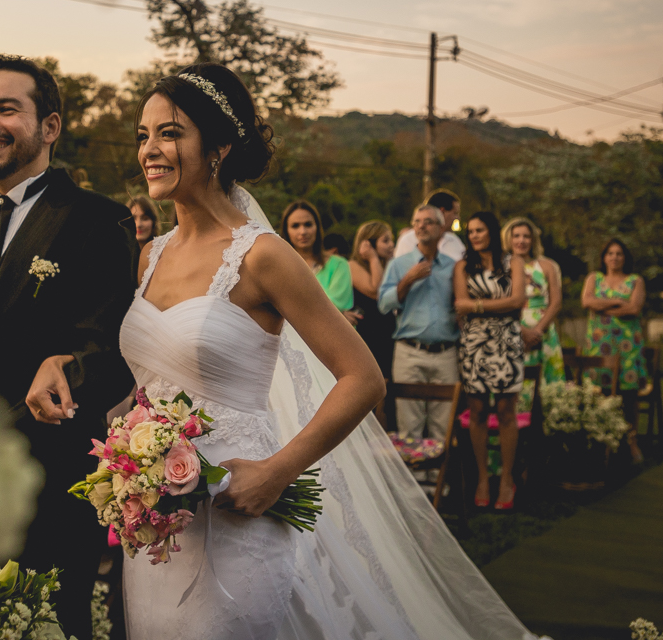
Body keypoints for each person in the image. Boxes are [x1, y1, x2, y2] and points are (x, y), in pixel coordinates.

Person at [121, 64, 541, 640]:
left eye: (170, 133)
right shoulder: (150, 256)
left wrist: (277, 472)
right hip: (158, 525)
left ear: (218, 147)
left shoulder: (263, 256)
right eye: (143, 135)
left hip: (239, 512)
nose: (149, 149)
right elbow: (150, 384)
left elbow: (363, 378)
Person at [0, 55, 139, 640]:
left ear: (50, 127)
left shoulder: (97, 220)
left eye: (5, 108)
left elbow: (116, 350)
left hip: (48, 492)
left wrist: (70, 366)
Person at [454, 211, 526, 511]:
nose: (474, 235)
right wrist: (497, 305)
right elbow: (459, 304)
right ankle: (483, 479)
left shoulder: (514, 263)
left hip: (507, 343)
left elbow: (518, 300)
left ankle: (507, 479)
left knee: (507, 411)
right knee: (478, 411)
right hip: (474, 345)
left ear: (492, 232)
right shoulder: (462, 266)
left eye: (479, 230)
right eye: (470, 231)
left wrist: (478, 305)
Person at [378, 205, 460, 444]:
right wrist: (408, 279)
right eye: (417, 222)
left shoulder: (454, 267)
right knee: (409, 428)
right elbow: (383, 305)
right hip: (409, 353)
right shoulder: (399, 265)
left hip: (446, 354)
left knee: (442, 428)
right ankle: (410, 471)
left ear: (441, 228)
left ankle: (439, 471)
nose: (421, 226)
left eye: (428, 221)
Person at [581, 237, 646, 464]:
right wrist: (619, 302)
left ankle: (631, 440)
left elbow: (634, 308)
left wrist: (603, 306)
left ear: (625, 258)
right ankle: (600, 439)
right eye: (610, 253)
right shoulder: (594, 278)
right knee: (599, 391)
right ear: (604, 257)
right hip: (599, 345)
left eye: (619, 253)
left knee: (629, 394)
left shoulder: (635, 280)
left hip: (627, 345)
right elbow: (586, 302)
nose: (615, 257)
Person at [502, 217, 564, 383]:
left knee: (546, 385)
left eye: (526, 236)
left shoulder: (547, 266)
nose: (521, 240)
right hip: (511, 330)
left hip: (543, 331)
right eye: (516, 236)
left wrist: (537, 331)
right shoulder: (501, 268)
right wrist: (522, 332)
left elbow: (556, 302)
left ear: (533, 240)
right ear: (508, 239)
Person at [280, 200, 357, 324]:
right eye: (295, 226)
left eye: (308, 224)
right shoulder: (279, 267)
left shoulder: (338, 264)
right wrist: (337, 314)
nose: (303, 231)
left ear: (317, 227)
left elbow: (335, 305)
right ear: (286, 230)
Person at [349, 220, 396, 415]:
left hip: (386, 334)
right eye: (386, 240)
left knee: (387, 388)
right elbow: (376, 291)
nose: (392, 245)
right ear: (368, 243)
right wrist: (373, 258)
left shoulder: (389, 266)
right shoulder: (352, 265)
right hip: (368, 334)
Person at [394, 188, 466, 261]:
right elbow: (400, 267)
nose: (458, 218)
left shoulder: (454, 241)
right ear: (442, 212)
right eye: (455, 213)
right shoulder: (407, 241)